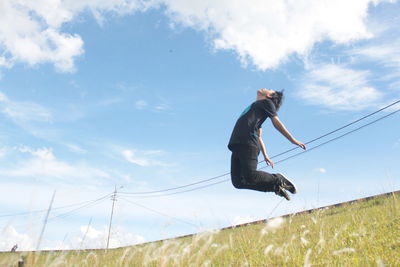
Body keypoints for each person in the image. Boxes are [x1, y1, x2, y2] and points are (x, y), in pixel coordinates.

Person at [228, 88, 306, 200]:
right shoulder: (256, 108)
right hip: (237, 144)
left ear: (270, 96)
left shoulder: (267, 103)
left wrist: (292, 140)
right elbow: (260, 136)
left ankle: (278, 179)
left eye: (269, 89)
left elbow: (276, 122)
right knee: (238, 182)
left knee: (251, 175)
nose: (265, 88)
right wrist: (265, 155)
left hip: (248, 143)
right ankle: (275, 187)